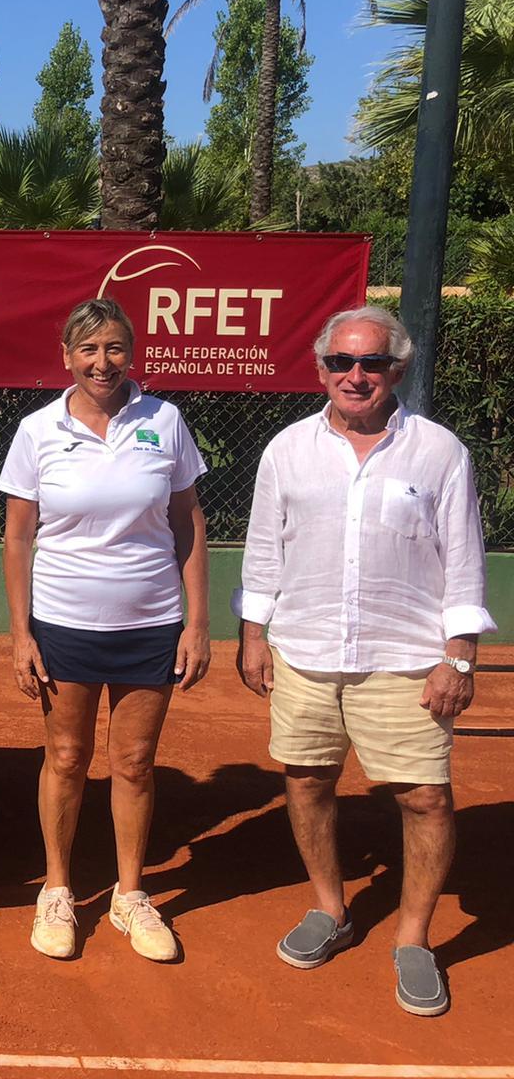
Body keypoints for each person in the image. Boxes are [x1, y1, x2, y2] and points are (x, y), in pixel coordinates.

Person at [236, 306, 495, 1017]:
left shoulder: (440, 451)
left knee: (425, 797)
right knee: (309, 780)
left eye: (372, 363)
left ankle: (414, 939)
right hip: (305, 648)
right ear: (321, 370)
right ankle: (330, 909)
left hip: (407, 656)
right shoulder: (286, 449)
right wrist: (253, 633)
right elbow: (264, 550)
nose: (357, 376)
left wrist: (460, 656)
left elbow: (465, 558)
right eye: (342, 363)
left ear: (397, 370)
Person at [0, 297, 210, 964]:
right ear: (67, 357)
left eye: (115, 347)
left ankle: (129, 894)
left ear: (132, 353)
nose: (102, 362)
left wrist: (197, 623)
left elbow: (189, 523)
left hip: (151, 623)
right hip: (63, 622)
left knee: (134, 763)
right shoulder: (39, 430)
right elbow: (17, 537)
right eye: (88, 349)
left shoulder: (165, 421)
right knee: (65, 758)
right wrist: (21, 633)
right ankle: (58, 890)